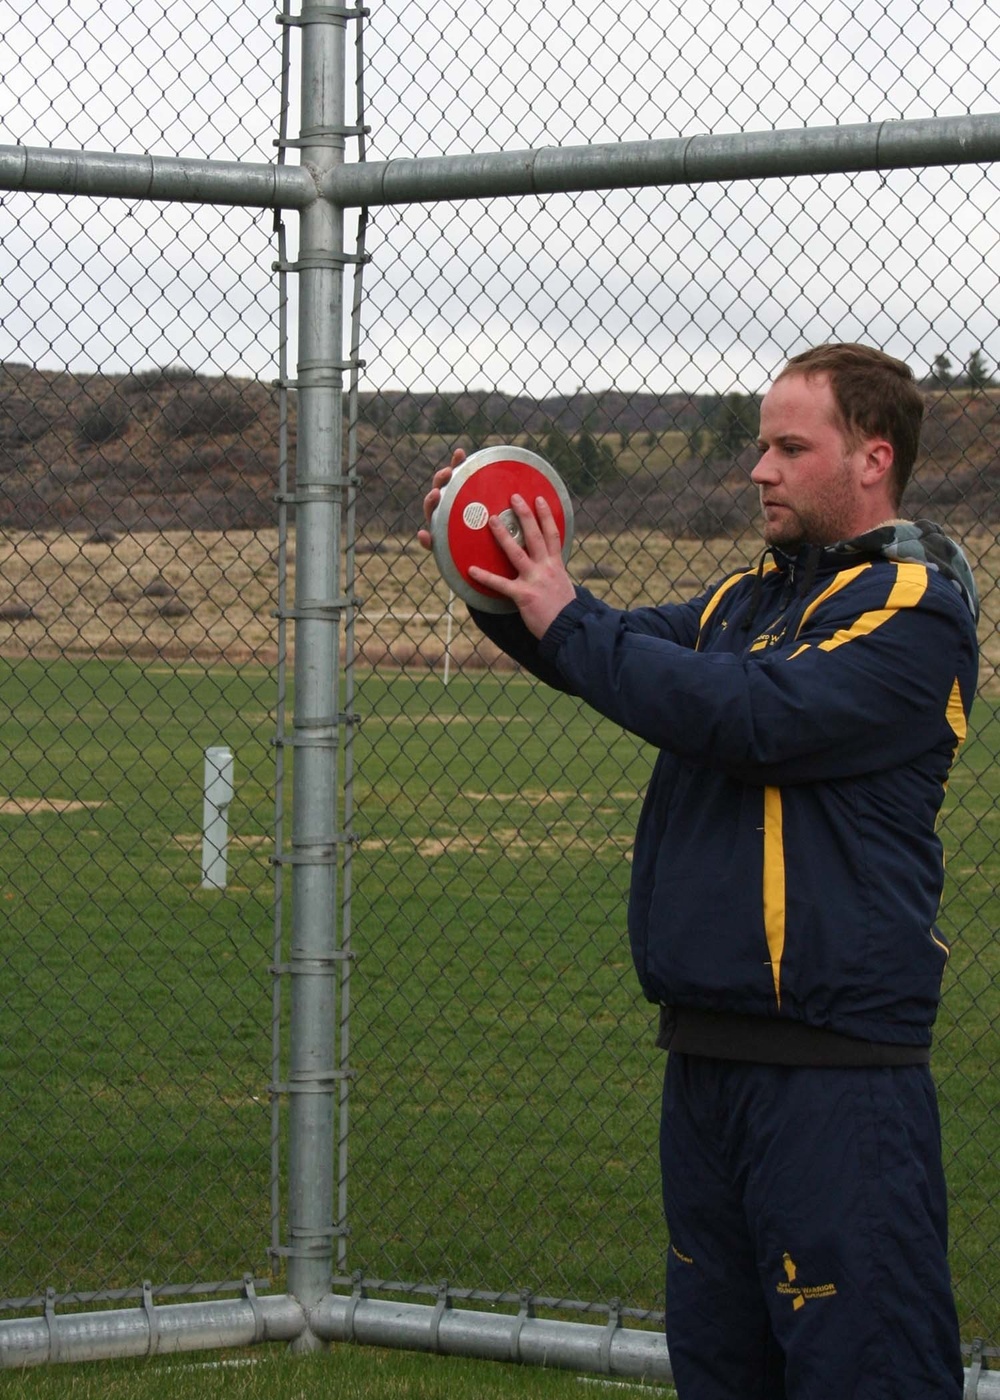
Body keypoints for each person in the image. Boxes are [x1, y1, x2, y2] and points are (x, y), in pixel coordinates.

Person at [418, 343, 979, 1399]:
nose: (757, 469)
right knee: (722, 1371)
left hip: (836, 1080)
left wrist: (568, 612)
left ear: (872, 457)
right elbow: (613, 652)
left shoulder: (913, 612)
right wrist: (493, 570)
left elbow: (748, 715)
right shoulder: (745, 599)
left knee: (865, 1371)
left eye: (785, 446)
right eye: (758, 444)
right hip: (709, 1065)